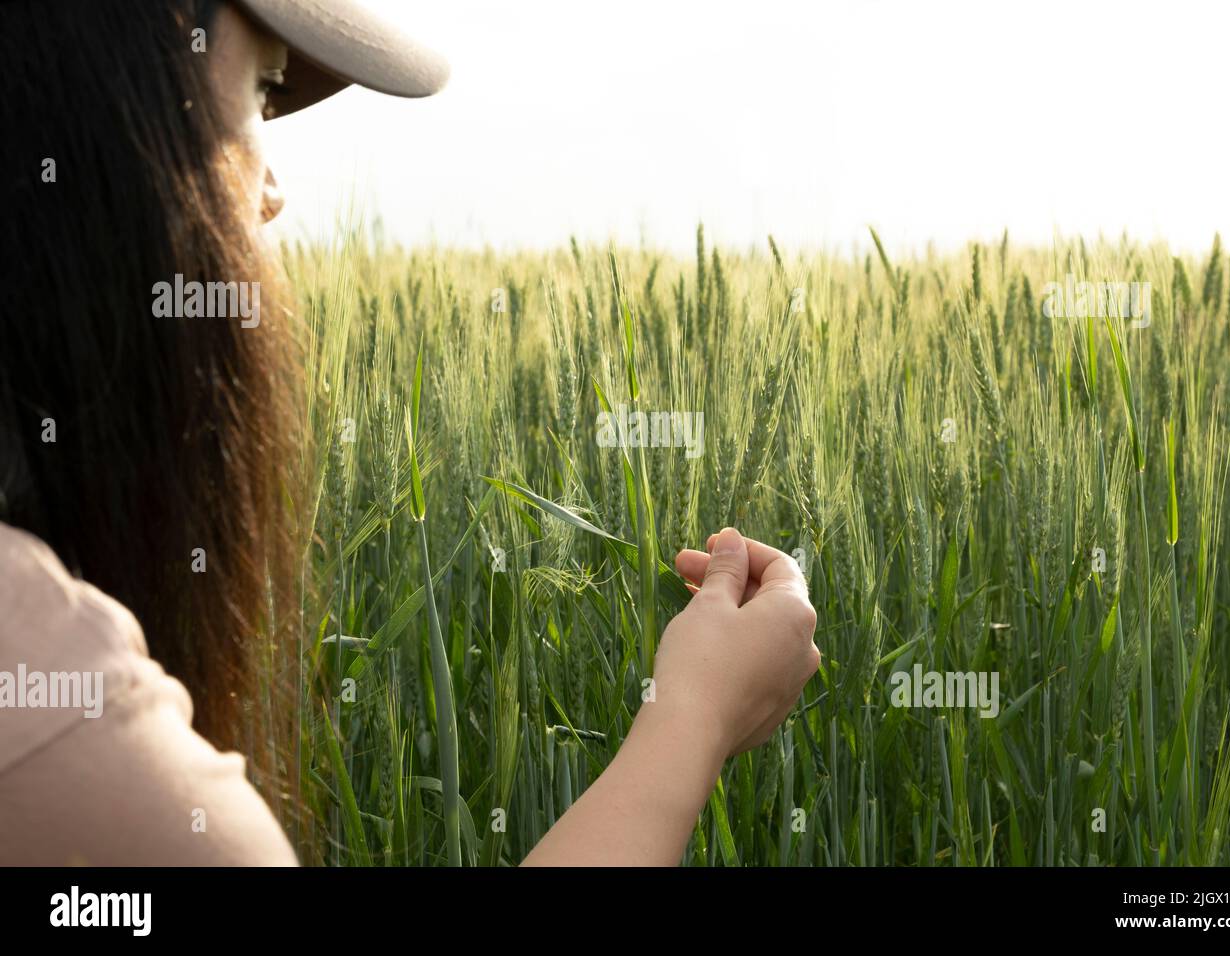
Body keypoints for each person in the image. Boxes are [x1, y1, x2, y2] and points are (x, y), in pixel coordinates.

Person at [0, 0, 819, 866]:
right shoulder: (61, 722)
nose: (274, 191)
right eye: (263, 89)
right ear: (83, 107)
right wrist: (693, 719)